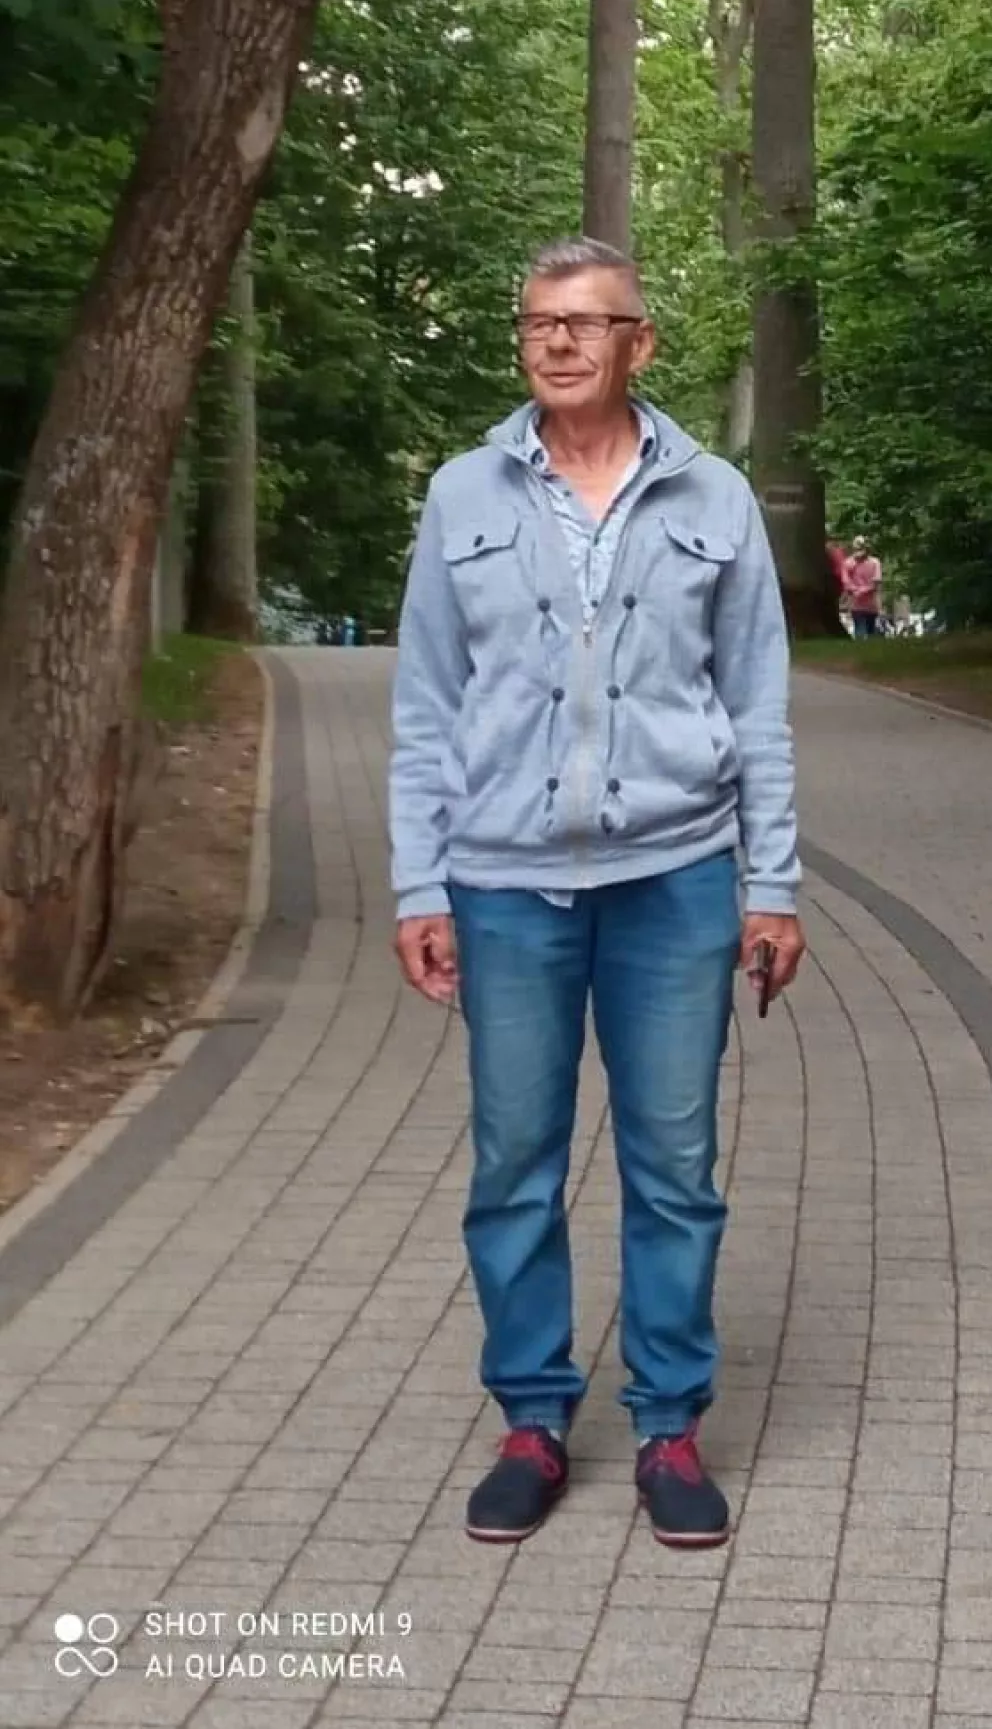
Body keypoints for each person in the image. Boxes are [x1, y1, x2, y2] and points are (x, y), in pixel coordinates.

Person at [389, 236, 805, 1550]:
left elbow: (758, 703)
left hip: (675, 882)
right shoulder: (463, 493)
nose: (557, 342)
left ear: (641, 343)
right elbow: (424, 707)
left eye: (585, 322)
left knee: (673, 1164)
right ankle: (531, 1418)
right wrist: (417, 883)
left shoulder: (712, 497)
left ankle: (670, 1425)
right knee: (514, 1158)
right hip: (504, 886)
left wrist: (772, 882)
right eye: (537, 323)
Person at [845, 538, 883, 638]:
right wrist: (854, 590)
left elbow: (876, 583)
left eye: (860, 549)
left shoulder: (875, 562)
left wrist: (860, 591)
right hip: (856, 606)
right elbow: (846, 582)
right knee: (860, 632)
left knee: (871, 632)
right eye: (856, 549)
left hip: (872, 606)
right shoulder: (848, 563)